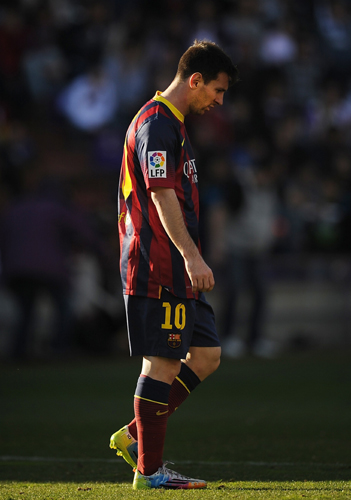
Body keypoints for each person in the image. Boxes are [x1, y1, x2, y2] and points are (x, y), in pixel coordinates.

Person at [109, 40, 238, 490]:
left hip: (175, 266)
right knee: (162, 362)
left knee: (205, 355)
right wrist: (191, 254)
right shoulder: (156, 123)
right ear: (195, 80)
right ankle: (149, 473)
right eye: (217, 90)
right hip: (157, 263)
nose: (219, 101)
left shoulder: (173, 124)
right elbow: (162, 194)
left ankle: (135, 435)